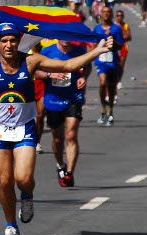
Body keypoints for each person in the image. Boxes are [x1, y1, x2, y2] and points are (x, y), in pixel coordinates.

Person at [0, 19, 113, 235]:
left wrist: (98, 51)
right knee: (5, 181)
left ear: (19, 42)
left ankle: (27, 195)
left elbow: (67, 66)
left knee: (23, 178)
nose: (9, 45)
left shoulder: (32, 61)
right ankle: (10, 226)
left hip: (24, 127)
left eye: (13, 40)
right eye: (4, 40)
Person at [36, 40, 90, 188]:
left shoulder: (79, 51)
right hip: (53, 99)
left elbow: (87, 66)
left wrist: (83, 77)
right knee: (58, 139)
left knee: (71, 134)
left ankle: (69, 173)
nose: (65, 39)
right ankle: (60, 165)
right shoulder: (47, 51)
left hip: (73, 98)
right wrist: (49, 74)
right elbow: (35, 71)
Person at [93, 6, 124, 126]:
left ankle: (110, 110)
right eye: (104, 12)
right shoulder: (97, 28)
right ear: (101, 14)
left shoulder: (116, 28)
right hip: (100, 60)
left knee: (111, 88)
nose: (106, 14)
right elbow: (94, 44)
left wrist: (111, 38)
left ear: (111, 14)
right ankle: (103, 109)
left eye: (108, 12)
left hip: (112, 60)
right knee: (102, 82)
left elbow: (121, 45)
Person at [115, 10, 131, 90]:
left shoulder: (126, 25)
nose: (119, 17)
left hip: (123, 47)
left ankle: (118, 81)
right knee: (114, 65)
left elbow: (128, 37)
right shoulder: (112, 25)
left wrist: (121, 28)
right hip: (114, 48)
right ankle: (113, 80)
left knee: (121, 66)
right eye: (118, 16)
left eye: (121, 16)